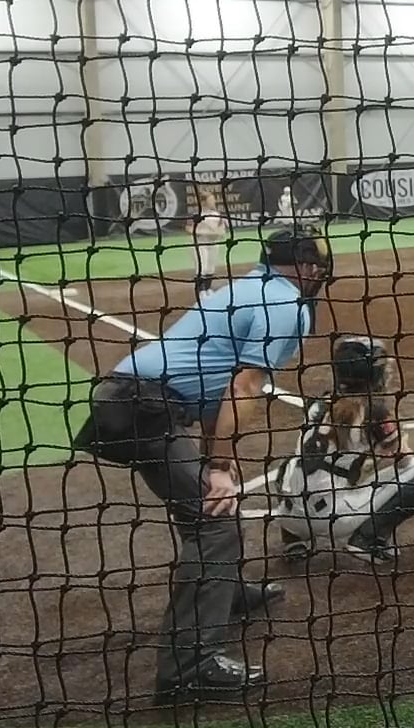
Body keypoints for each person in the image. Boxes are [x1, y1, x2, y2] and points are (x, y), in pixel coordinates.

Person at [70, 227, 330, 704]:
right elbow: (243, 387)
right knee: (215, 523)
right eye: (316, 266)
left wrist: (218, 462)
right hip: (144, 408)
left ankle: (223, 591)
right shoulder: (285, 304)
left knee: (210, 502)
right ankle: (190, 668)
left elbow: (215, 394)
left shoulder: (248, 287)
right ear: (307, 268)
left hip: (134, 399)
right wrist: (218, 467)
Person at [274, 335, 414, 566]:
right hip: (332, 519)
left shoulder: (319, 402)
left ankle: (293, 538)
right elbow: (404, 460)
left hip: (288, 512)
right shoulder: (373, 410)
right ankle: (367, 540)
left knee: (297, 462)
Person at [191, 190, 230, 294]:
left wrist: (214, 233)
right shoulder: (197, 215)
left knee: (210, 268)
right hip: (200, 244)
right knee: (201, 268)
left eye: (213, 200)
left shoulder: (217, 215)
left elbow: (221, 231)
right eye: (211, 200)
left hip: (214, 244)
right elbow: (189, 229)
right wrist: (206, 232)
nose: (213, 202)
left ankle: (208, 289)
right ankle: (201, 291)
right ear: (203, 202)